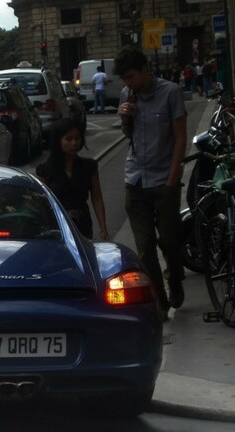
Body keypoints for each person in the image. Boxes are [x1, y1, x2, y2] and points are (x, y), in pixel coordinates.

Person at [114, 45, 187, 319]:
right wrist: (125, 118)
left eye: (131, 76)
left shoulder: (171, 93)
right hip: (135, 179)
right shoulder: (127, 95)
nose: (127, 83)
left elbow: (180, 136)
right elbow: (127, 135)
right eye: (124, 79)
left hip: (162, 179)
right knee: (144, 247)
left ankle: (176, 277)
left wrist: (173, 177)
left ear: (145, 71)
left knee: (169, 240)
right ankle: (160, 302)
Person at [35, 117, 109, 240]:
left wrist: (103, 228)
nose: (74, 143)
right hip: (57, 227)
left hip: (83, 225)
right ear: (58, 141)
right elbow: (42, 204)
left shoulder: (89, 166)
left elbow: (97, 198)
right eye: (68, 139)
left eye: (77, 138)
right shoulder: (45, 170)